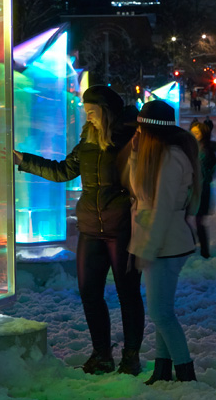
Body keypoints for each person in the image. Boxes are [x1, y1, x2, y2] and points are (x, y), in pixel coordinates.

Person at [13, 85, 144, 376]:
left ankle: (131, 356)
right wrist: (24, 161)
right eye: (86, 112)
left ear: (106, 111)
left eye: (92, 112)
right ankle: (102, 354)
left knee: (128, 293)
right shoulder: (86, 139)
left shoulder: (129, 139)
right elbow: (63, 171)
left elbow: (145, 181)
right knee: (88, 292)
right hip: (90, 229)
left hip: (122, 229)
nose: (87, 117)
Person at [127, 99, 201, 384]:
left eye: (140, 130)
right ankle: (162, 370)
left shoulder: (170, 158)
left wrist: (147, 249)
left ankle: (185, 373)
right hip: (163, 243)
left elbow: (160, 209)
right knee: (162, 312)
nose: (137, 135)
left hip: (166, 245)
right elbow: (140, 192)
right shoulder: (158, 156)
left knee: (160, 313)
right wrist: (135, 155)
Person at [190, 120, 216, 258]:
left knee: (198, 221)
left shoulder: (205, 151)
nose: (193, 134)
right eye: (192, 132)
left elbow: (208, 173)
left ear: (203, 134)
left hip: (200, 191)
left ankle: (203, 250)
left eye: (197, 133)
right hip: (195, 189)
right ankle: (198, 246)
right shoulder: (195, 148)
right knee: (192, 220)